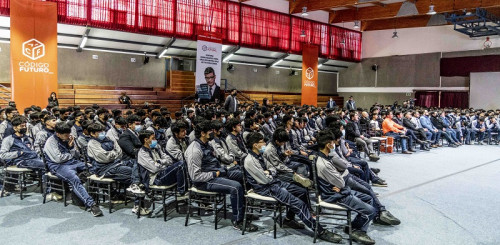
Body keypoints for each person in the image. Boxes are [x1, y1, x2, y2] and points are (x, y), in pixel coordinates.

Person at [243, 132, 342, 243]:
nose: (265, 143)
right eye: (262, 142)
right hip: (267, 188)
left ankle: (289, 219)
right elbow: (265, 180)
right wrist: (270, 173)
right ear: (255, 145)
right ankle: (319, 231)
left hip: (275, 182)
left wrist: (269, 172)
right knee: (299, 204)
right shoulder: (249, 160)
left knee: (302, 190)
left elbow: (273, 169)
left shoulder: (260, 155)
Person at [185, 120, 257, 231]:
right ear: (203, 133)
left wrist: (223, 168)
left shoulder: (208, 143)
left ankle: (243, 213)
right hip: (204, 181)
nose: (212, 132)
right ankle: (238, 221)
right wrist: (215, 173)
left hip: (218, 172)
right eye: (209, 131)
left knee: (244, 176)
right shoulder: (194, 150)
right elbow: (195, 176)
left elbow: (218, 157)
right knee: (236, 187)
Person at [315, 131, 377, 244]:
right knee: (371, 211)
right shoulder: (323, 163)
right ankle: (357, 231)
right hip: (335, 196)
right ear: (328, 144)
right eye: (333, 142)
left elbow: (339, 180)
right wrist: (344, 188)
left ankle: (352, 228)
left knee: (369, 198)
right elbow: (341, 183)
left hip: (340, 191)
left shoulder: (325, 156)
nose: (334, 144)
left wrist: (342, 187)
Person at [43, 122, 103, 217]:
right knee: (74, 179)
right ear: (58, 134)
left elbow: (77, 155)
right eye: (65, 135)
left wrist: (71, 147)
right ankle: (91, 205)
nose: (68, 136)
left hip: (72, 162)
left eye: (68, 134)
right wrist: (70, 154)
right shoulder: (51, 142)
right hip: (58, 166)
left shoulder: (68, 139)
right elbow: (58, 158)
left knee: (94, 167)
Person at [137, 130, 187, 199]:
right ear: (146, 140)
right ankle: (181, 193)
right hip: (156, 179)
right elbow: (155, 168)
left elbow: (169, 160)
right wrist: (164, 164)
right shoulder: (142, 153)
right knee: (180, 165)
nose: (155, 140)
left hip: (163, 172)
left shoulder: (156, 147)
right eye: (153, 138)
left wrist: (160, 162)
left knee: (184, 163)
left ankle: (184, 190)